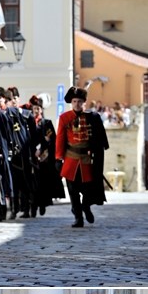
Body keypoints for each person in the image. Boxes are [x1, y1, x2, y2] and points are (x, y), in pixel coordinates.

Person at [55, 86, 95, 228]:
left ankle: (86, 207)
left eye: (79, 101)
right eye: (74, 101)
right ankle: (78, 217)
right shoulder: (64, 118)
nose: (77, 104)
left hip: (86, 159)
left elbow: (97, 139)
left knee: (88, 190)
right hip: (71, 159)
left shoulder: (92, 117)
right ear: (71, 103)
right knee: (73, 191)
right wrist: (59, 158)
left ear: (84, 102)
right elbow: (60, 138)